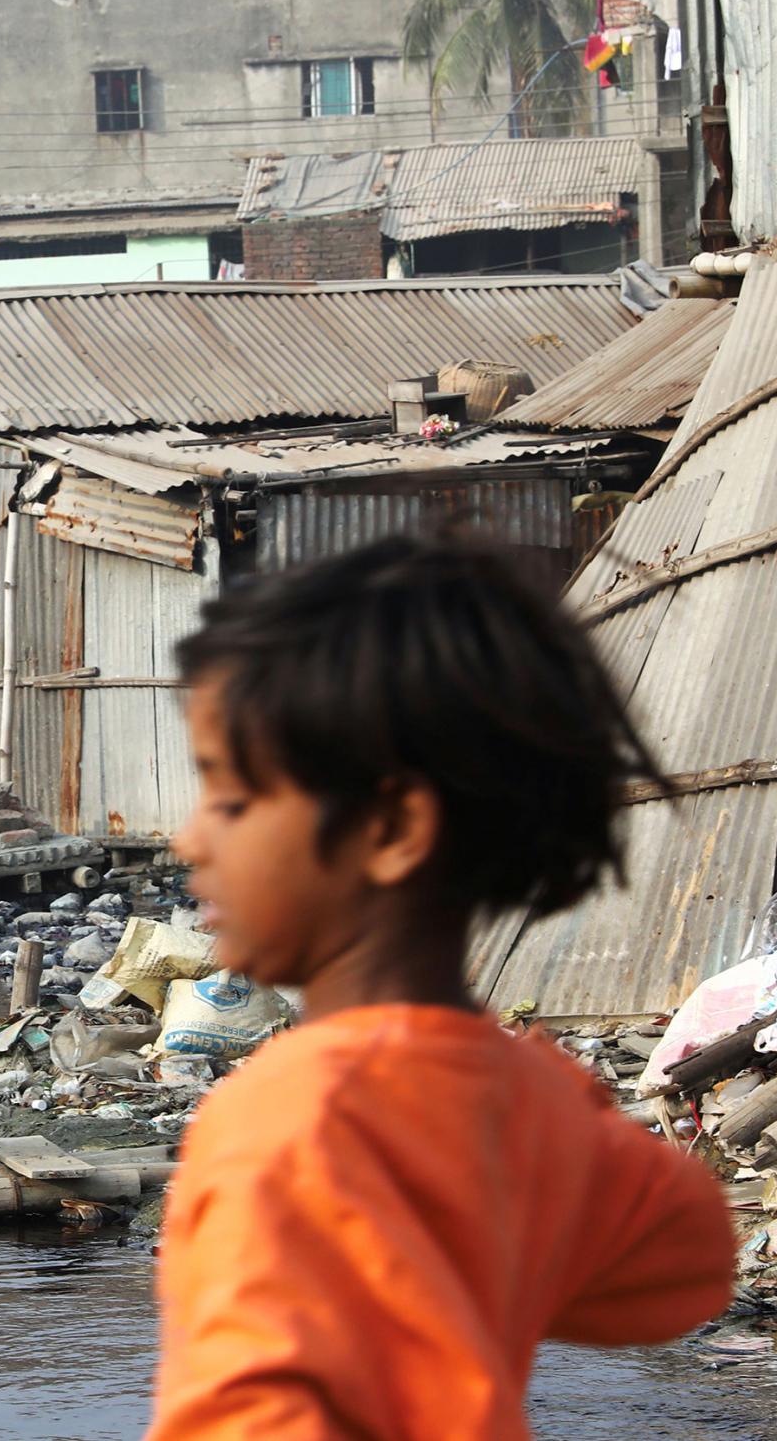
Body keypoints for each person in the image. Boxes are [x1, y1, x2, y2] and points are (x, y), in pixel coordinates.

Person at [146, 537, 736, 1441]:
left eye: (227, 799)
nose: (189, 840)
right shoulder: (522, 1102)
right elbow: (688, 1261)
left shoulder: (284, 1122)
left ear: (390, 827)